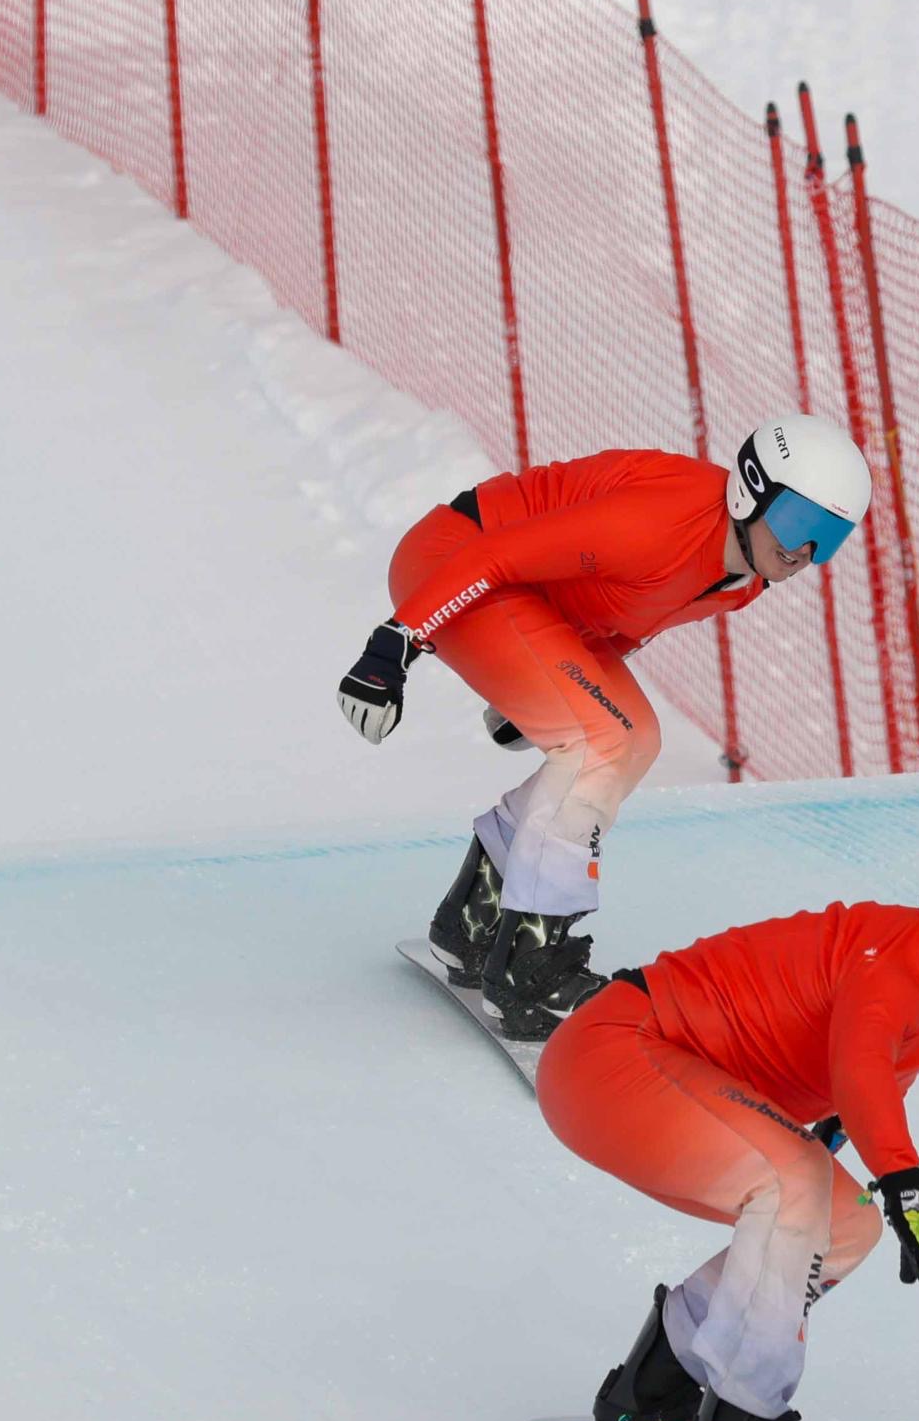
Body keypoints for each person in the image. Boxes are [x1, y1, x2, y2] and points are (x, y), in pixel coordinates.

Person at [337, 416, 875, 1041]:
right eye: (798, 522)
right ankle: (529, 971)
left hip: (527, 597)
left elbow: (622, 619)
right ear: (749, 491)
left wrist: (546, 686)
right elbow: (494, 555)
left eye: (827, 538)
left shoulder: (743, 579)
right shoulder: (660, 522)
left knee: (637, 738)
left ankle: (473, 920)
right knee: (599, 742)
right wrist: (395, 644)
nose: (803, 551)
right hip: (454, 563)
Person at [535, 838, 919, 1421]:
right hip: (614, 1053)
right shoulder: (892, 957)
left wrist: (843, 1134)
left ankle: (650, 1391)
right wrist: (905, 1185)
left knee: (845, 1223)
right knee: (796, 1179)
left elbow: (868, 1076)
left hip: (663, 1073)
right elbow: (861, 1066)